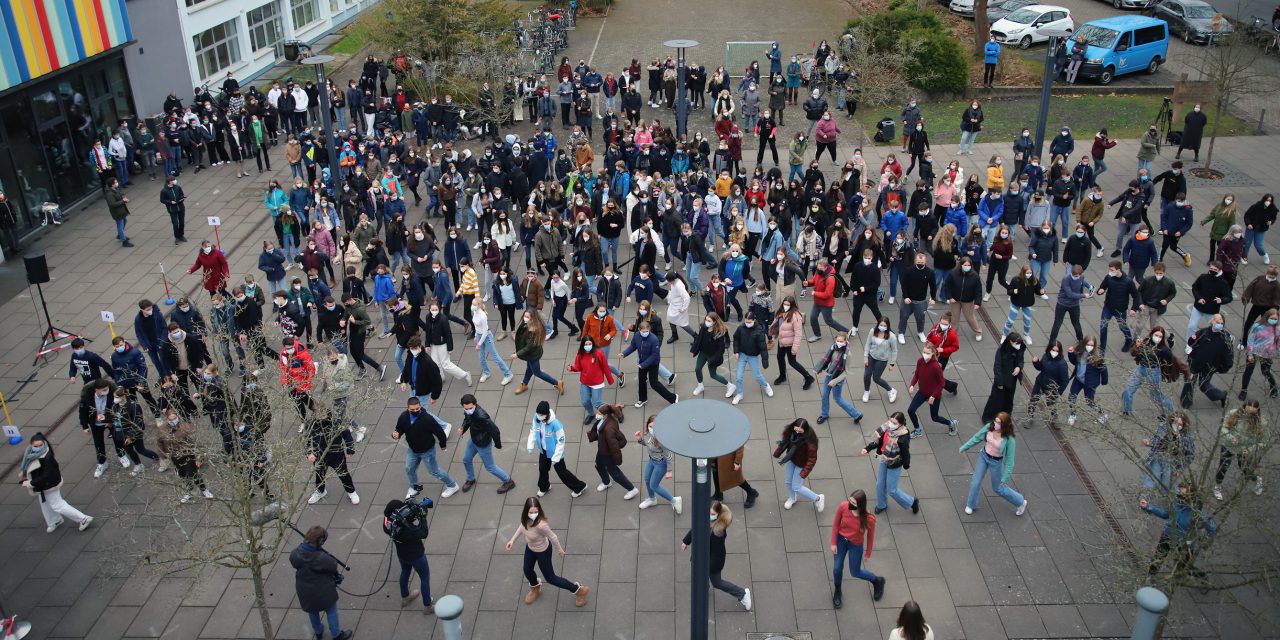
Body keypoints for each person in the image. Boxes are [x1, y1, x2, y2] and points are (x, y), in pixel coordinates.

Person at [505, 497, 591, 607]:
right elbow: (522, 527)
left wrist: (560, 550)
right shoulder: (525, 519)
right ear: (526, 511)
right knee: (527, 570)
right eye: (531, 512)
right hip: (530, 549)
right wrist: (512, 540)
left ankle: (579, 590)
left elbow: (553, 537)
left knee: (551, 578)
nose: (533, 514)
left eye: (536, 512)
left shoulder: (541, 525)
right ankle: (535, 587)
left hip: (543, 551)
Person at [681, 500, 752, 611]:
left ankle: (742, 594)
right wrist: (686, 541)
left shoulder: (718, 533)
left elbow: (718, 554)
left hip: (712, 561)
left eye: (713, 514)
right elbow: (695, 529)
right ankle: (703, 587)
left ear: (718, 515)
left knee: (717, 583)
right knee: (698, 571)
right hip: (701, 556)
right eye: (709, 513)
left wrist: (708, 568)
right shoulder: (703, 518)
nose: (710, 516)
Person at [19, 432, 94, 533]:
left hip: (49, 485)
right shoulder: (33, 453)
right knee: (45, 503)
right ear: (31, 445)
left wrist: (30, 483)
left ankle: (83, 519)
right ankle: (54, 521)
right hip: (44, 485)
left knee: (57, 505)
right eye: (35, 446)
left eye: (40, 445)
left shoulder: (46, 457)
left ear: (44, 443)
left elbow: (46, 477)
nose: (38, 448)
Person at [1139, 482, 1216, 577]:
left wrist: (1204, 544)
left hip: (1185, 545)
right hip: (1168, 536)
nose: (1179, 496)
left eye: (1182, 495)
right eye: (1179, 493)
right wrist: (1148, 507)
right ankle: (1149, 579)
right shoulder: (1176, 502)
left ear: (1191, 497)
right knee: (1157, 560)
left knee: (1183, 569)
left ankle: (1201, 576)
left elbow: (1211, 528)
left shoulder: (1198, 512)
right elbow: (1165, 514)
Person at [290, 526, 353, 640]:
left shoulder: (295, 553)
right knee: (331, 611)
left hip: (304, 590)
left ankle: (318, 631)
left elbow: (294, 563)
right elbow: (333, 566)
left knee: (312, 611)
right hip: (323, 590)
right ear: (320, 541)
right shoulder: (322, 558)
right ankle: (336, 635)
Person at [959, 412, 1028, 516]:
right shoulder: (989, 427)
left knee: (998, 488)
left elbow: (1010, 461)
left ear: (1004, 425)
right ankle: (971, 504)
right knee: (975, 482)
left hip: (996, 462)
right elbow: (977, 437)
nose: (995, 424)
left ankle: (1020, 502)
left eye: (998, 423)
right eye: (995, 421)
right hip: (984, 456)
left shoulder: (1009, 440)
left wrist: (1005, 478)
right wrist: (965, 447)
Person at [393, 396, 460, 500]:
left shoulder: (427, 419)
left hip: (427, 450)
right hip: (413, 449)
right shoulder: (403, 417)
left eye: (417, 409)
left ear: (420, 407)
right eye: (412, 410)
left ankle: (452, 485)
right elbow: (399, 428)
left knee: (434, 471)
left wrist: (443, 445)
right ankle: (413, 487)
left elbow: (440, 432)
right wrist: (396, 434)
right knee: (409, 468)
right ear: (408, 408)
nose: (415, 411)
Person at [828, 489, 885, 608]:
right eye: (850, 501)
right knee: (837, 569)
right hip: (841, 540)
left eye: (853, 503)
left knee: (855, 572)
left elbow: (870, 536)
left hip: (855, 545)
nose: (850, 505)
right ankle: (838, 591)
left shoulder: (869, 519)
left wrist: (868, 553)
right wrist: (833, 542)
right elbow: (836, 523)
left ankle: (877, 581)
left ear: (860, 505)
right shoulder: (843, 507)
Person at [383, 499, 434, 614]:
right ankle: (427, 606)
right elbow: (423, 533)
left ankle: (405, 597)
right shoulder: (407, 530)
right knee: (425, 577)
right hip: (417, 556)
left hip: (402, 555)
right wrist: (422, 517)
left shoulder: (387, 523)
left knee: (405, 573)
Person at [458, 394, 517, 493]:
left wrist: (498, 444)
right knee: (466, 459)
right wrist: (463, 428)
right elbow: (467, 419)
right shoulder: (468, 411)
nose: (468, 410)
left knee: (490, 467)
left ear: (475, 404)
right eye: (466, 409)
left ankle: (508, 481)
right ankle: (471, 479)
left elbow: (495, 430)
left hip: (483, 443)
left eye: (470, 408)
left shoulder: (482, 416)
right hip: (474, 439)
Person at [528, 400, 587, 497]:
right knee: (542, 469)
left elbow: (561, 441)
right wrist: (530, 444)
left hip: (555, 453)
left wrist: (556, 456)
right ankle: (544, 487)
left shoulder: (555, 424)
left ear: (547, 414)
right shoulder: (537, 418)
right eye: (538, 413)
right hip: (543, 451)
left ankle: (580, 486)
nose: (539, 415)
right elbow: (533, 430)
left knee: (562, 473)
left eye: (541, 414)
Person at [862, 412, 918, 515]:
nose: (891, 423)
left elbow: (905, 453)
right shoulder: (886, 428)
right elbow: (878, 442)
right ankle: (881, 505)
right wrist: (867, 448)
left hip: (894, 463)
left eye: (894, 422)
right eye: (890, 420)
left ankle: (912, 501)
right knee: (880, 484)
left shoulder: (902, 437)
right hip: (884, 459)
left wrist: (906, 464)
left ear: (900, 424)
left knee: (892, 490)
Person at [306, 406, 360, 505]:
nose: (320, 416)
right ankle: (320, 491)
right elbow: (308, 441)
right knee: (319, 475)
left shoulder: (336, 423)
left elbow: (347, 435)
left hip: (336, 455)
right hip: (320, 456)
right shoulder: (311, 425)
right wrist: (310, 453)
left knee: (343, 474)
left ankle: (351, 492)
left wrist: (350, 449)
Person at [1213, 401, 1266, 499]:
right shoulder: (1234, 413)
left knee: (1244, 468)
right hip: (1229, 445)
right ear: (1245, 406)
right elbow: (1223, 428)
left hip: (1244, 449)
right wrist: (1231, 437)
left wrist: (1250, 449)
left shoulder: (1260, 422)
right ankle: (1217, 487)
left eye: (1253, 409)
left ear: (1257, 410)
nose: (1250, 410)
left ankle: (1257, 480)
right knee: (1223, 466)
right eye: (1249, 407)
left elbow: (1264, 442)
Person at [620, 320, 678, 407]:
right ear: (639, 330)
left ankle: (673, 397)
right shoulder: (636, 336)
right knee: (641, 381)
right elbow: (633, 346)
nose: (645, 333)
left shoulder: (654, 340)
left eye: (647, 331)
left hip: (653, 364)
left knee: (654, 384)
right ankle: (642, 399)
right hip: (642, 362)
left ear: (649, 330)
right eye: (643, 331)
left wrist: (643, 365)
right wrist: (624, 353)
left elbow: (654, 355)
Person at [587, 403, 639, 498]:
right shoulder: (605, 420)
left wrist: (616, 457)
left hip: (607, 453)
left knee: (615, 473)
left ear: (605, 414)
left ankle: (632, 489)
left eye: (598, 413)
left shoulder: (609, 429)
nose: (596, 414)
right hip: (602, 450)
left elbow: (615, 445)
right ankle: (606, 482)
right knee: (599, 465)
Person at [813, 332, 864, 426]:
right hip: (829, 374)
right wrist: (821, 370)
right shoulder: (833, 348)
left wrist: (834, 381)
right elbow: (827, 360)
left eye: (841, 341)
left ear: (846, 341)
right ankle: (824, 415)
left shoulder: (847, 355)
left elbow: (846, 372)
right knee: (824, 395)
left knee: (837, 398)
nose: (839, 342)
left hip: (838, 377)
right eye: (838, 341)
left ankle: (856, 414)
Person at [773, 418, 825, 511]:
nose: (797, 432)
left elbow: (812, 459)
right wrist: (777, 452)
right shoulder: (790, 432)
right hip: (792, 459)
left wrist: (804, 472)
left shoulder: (810, 442)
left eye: (800, 431)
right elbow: (784, 443)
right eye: (796, 429)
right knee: (788, 482)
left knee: (796, 486)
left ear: (805, 430)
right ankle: (792, 498)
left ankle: (818, 498)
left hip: (802, 464)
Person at [907, 344, 958, 438]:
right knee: (911, 410)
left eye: (927, 353)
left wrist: (933, 396)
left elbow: (942, 383)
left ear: (933, 353)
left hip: (933, 396)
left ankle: (951, 423)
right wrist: (912, 385)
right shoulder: (920, 361)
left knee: (935, 417)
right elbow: (917, 374)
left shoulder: (936, 367)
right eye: (924, 352)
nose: (925, 355)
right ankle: (917, 430)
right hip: (922, 392)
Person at [1182, 315, 1233, 408]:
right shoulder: (1203, 332)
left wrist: (1224, 367)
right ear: (1212, 321)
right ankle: (1186, 401)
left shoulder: (1225, 338)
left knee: (1204, 386)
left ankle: (1221, 395)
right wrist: (1192, 340)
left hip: (1209, 367)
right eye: (1218, 322)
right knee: (1189, 381)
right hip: (1195, 362)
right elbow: (1191, 342)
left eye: (1222, 323)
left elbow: (1229, 355)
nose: (1220, 325)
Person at [635, 414, 682, 512]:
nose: (652, 429)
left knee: (654, 485)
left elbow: (668, 456)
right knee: (647, 480)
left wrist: (669, 471)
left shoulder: (662, 440)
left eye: (654, 427)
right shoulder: (648, 434)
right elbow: (648, 444)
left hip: (660, 464)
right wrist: (640, 440)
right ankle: (652, 499)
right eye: (650, 426)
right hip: (651, 460)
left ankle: (674, 500)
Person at [1142, 411, 1195, 494]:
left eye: (1180, 424)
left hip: (1172, 462)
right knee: (1153, 477)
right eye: (1176, 423)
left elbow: (1190, 456)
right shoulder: (1164, 427)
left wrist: (1180, 468)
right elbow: (1156, 438)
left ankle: (1169, 496)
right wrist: (1149, 443)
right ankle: (1145, 497)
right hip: (1158, 456)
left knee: (1166, 483)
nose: (1177, 426)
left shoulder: (1187, 438)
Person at [567, 336, 615, 423]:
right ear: (583, 345)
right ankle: (591, 414)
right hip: (585, 382)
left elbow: (605, 367)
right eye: (586, 344)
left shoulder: (599, 353)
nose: (588, 346)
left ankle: (613, 408)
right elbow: (578, 367)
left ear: (592, 344)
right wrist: (572, 368)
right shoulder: (580, 355)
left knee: (597, 403)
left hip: (597, 383)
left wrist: (610, 379)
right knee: (585, 401)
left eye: (590, 344)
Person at [981, 332, 1025, 423]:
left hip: (1012, 379)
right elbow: (997, 367)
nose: (1018, 345)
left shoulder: (1020, 348)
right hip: (1002, 379)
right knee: (995, 399)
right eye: (1016, 343)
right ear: (1010, 342)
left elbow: (1021, 360)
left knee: (1008, 399)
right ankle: (988, 417)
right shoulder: (1002, 351)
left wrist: (1019, 367)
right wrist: (999, 382)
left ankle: (1005, 415)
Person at [1066, 336, 1109, 425]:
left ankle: (1103, 414)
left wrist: (1104, 381)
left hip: (1090, 383)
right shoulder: (1080, 352)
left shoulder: (1097, 357)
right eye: (1088, 344)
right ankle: (1073, 414)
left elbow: (1103, 369)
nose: (1089, 346)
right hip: (1078, 379)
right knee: (1071, 397)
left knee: (1090, 402)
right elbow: (1075, 362)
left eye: (1092, 345)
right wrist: (1070, 353)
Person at [1240, 307, 1279, 400]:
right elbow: (1250, 339)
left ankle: (1274, 389)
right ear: (1267, 316)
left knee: (1266, 372)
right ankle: (1244, 390)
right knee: (1248, 372)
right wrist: (1249, 353)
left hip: (1267, 355)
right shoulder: (1257, 326)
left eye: (1275, 319)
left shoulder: (1277, 328)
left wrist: (1277, 354)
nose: (1273, 320)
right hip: (1254, 353)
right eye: (1272, 318)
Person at [1048, 265, 1092, 346]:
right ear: (1071, 273)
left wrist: (1086, 290)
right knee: (1057, 323)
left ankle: (1080, 339)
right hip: (1062, 304)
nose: (1076, 277)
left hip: (1074, 305)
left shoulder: (1081, 277)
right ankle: (1051, 341)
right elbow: (1070, 294)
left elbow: (1081, 284)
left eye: (1078, 276)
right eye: (1075, 276)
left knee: (1076, 323)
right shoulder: (1066, 279)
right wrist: (1083, 295)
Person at [1242, 194, 1275, 264]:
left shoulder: (1272, 209)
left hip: (1261, 229)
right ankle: (1244, 256)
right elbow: (1247, 215)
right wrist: (1248, 224)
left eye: (1270, 201)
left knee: (1258, 245)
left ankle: (1265, 255)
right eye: (1267, 200)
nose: (1268, 202)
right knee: (1247, 243)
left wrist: (1271, 221)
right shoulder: (1256, 206)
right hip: (1251, 227)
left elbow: (1273, 217)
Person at [105, 177, 134, 247]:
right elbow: (112, 204)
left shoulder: (115, 190)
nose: (117, 183)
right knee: (120, 226)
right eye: (115, 182)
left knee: (124, 221)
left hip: (121, 210)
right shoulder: (109, 194)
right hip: (117, 212)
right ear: (112, 184)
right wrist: (122, 201)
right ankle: (124, 241)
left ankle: (120, 235)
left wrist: (123, 200)